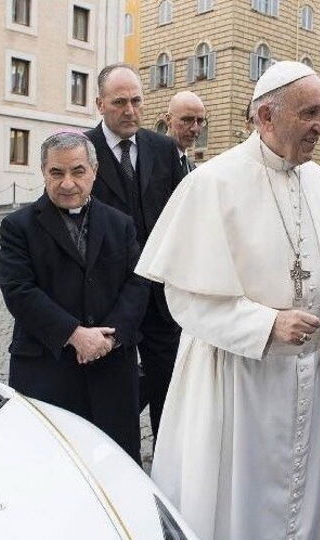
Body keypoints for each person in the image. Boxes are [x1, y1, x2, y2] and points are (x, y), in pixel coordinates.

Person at [136, 61, 320, 540]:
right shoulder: (213, 183)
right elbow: (186, 299)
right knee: (240, 511)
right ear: (265, 116)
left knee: (299, 509)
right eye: (309, 113)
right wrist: (265, 326)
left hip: (305, 381)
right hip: (235, 380)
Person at [0, 131, 149, 461]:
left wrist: (109, 338)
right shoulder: (18, 227)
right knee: (49, 463)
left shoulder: (120, 224)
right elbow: (18, 290)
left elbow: (138, 282)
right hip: (47, 369)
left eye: (78, 171)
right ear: (43, 172)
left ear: (94, 171)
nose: (67, 183)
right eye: (57, 172)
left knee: (116, 462)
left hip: (111, 368)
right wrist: (74, 334)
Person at [85, 63, 184, 439]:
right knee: (112, 389)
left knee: (168, 386)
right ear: (100, 104)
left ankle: (168, 461)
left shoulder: (163, 148)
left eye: (137, 101)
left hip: (160, 294)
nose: (130, 110)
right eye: (119, 102)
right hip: (108, 296)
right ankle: (114, 458)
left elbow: (182, 214)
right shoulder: (82, 150)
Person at [164, 91, 207, 174]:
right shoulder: (148, 160)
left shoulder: (192, 169)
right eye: (187, 120)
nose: (194, 129)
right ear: (168, 120)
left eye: (200, 121)